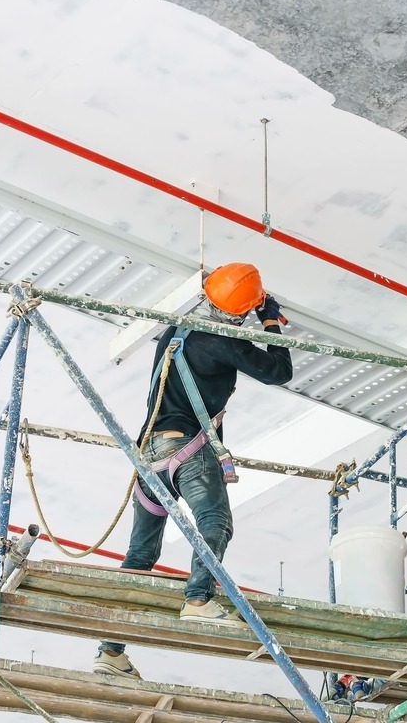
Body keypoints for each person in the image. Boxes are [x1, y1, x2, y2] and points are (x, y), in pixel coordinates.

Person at [93, 262, 293, 680]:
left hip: (150, 455)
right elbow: (280, 371)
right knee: (215, 521)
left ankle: (110, 651)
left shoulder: (173, 333)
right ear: (240, 311)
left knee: (141, 554)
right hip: (187, 448)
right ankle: (198, 600)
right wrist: (270, 320)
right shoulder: (220, 340)